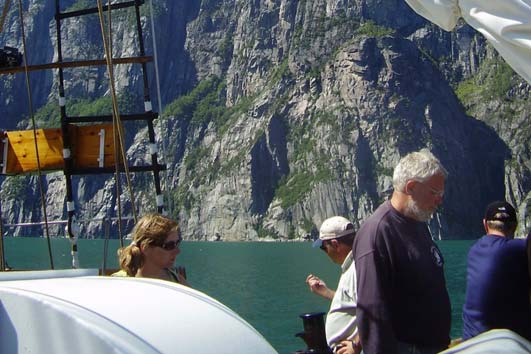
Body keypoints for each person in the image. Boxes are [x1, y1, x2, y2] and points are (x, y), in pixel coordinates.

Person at [353, 149, 451, 354]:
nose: (439, 200)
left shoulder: (417, 224)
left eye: (441, 194)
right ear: (411, 187)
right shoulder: (378, 232)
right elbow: (373, 312)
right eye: (434, 193)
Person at [462, 201, 531, 341]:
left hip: (471, 341)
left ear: (485, 224)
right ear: (515, 226)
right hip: (508, 344)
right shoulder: (519, 250)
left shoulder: (474, 250)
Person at [306, 216, 361, 354]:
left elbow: (377, 309)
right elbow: (353, 302)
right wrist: (325, 292)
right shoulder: (352, 265)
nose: (325, 252)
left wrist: (356, 344)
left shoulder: (357, 268)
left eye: (323, 247)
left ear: (335, 244)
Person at [112, 213, 189, 285]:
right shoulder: (118, 283)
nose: (177, 251)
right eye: (169, 245)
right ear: (145, 247)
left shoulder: (179, 283)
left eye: (177, 243)